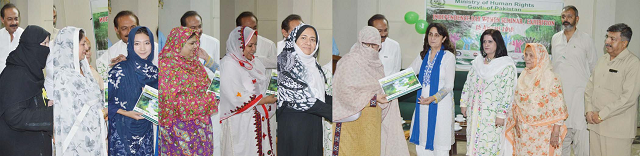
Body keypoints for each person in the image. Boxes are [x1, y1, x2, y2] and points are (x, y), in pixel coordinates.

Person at [332, 26, 409, 156]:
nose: (373, 49)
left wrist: (389, 92)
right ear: (361, 43)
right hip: (351, 123)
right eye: (369, 45)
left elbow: (378, 87)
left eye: (376, 46)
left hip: (372, 121)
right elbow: (342, 92)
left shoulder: (377, 64)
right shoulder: (349, 61)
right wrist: (373, 98)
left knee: (371, 151)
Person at [46, 27, 107, 156]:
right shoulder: (63, 76)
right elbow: (67, 116)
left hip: (94, 135)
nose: (85, 48)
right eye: (82, 44)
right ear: (70, 46)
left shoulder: (84, 68)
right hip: (77, 140)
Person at [158, 26, 218, 155]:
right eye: (191, 43)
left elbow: (207, 87)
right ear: (178, 43)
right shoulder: (167, 66)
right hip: (179, 132)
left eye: (196, 42)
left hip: (202, 129)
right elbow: (169, 101)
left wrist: (213, 94)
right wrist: (207, 100)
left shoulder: (195, 64)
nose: (196, 46)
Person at [219, 26, 277, 156]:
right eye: (250, 45)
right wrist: (265, 100)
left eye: (255, 45)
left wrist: (272, 90)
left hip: (256, 122)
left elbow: (262, 84)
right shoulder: (228, 64)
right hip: (239, 125)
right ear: (239, 45)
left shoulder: (252, 63)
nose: (254, 49)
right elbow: (235, 96)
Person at [550, 6, 599, 156]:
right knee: (561, 139)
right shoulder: (555, 38)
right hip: (560, 97)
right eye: (563, 16)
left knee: (581, 140)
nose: (566, 20)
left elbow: (594, 67)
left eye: (569, 16)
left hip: (580, 97)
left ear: (577, 19)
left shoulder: (586, 39)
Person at [277, 23, 332, 156]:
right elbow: (302, 98)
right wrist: (335, 112)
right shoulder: (285, 62)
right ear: (294, 40)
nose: (308, 43)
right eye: (303, 38)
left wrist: (342, 103)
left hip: (314, 121)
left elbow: (319, 94)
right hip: (294, 125)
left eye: (313, 39)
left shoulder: (313, 64)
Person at [460, 29, 517, 156]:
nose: (486, 44)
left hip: (493, 116)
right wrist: (464, 103)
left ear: (498, 43)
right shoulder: (478, 63)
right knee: (473, 143)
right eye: (484, 41)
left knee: (490, 146)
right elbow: (468, 83)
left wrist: (501, 115)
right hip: (474, 111)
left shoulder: (506, 65)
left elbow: (507, 92)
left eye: (490, 41)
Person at [585, 23, 639, 156]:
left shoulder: (633, 64)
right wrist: (589, 110)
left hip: (617, 130)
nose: (607, 42)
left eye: (613, 39)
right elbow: (590, 87)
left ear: (624, 43)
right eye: (607, 37)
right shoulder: (602, 60)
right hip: (596, 126)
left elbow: (628, 98)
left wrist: (601, 114)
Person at [505, 43, 569, 156]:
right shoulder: (524, 75)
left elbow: (558, 107)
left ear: (540, 57)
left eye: (531, 56)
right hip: (524, 133)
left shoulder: (551, 78)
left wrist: (555, 132)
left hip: (544, 133)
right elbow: (516, 102)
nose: (527, 58)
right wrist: (515, 123)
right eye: (526, 55)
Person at [0, 25, 52, 155]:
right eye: (44, 43)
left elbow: (30, 101)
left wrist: (46, 104)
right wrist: (50, 115)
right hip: (20, 147)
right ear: (31, 45)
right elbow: (14, 116)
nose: (47, 49)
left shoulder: (31, 71)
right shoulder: (15, 74)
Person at [407, 23, 456, 156]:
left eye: (437, 35)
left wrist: (434, 98)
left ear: (443, 38)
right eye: (430, 34)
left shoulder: (448, 57)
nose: (432, 38)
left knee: (440, 146)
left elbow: (449, 86)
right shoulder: (423, 56)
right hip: (423, 106)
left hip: (440, 106)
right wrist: (387, 86)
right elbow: (408, 75)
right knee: (421, 145)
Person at [107, 26, 157, 155]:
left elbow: (158, 105)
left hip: (145, 132)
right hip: (122, 132)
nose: (142, 48)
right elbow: (105, 101)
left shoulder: (154, 72)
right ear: (130, 45)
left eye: (147, 43)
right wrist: (127, 113)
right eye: (137, 44)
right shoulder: (119, 70)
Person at [0, 3, 24, 72]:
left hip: (19, 79)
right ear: (2, 20)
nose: (14, 22)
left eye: (16, 19)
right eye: (10, 19)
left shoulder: (25, 36)